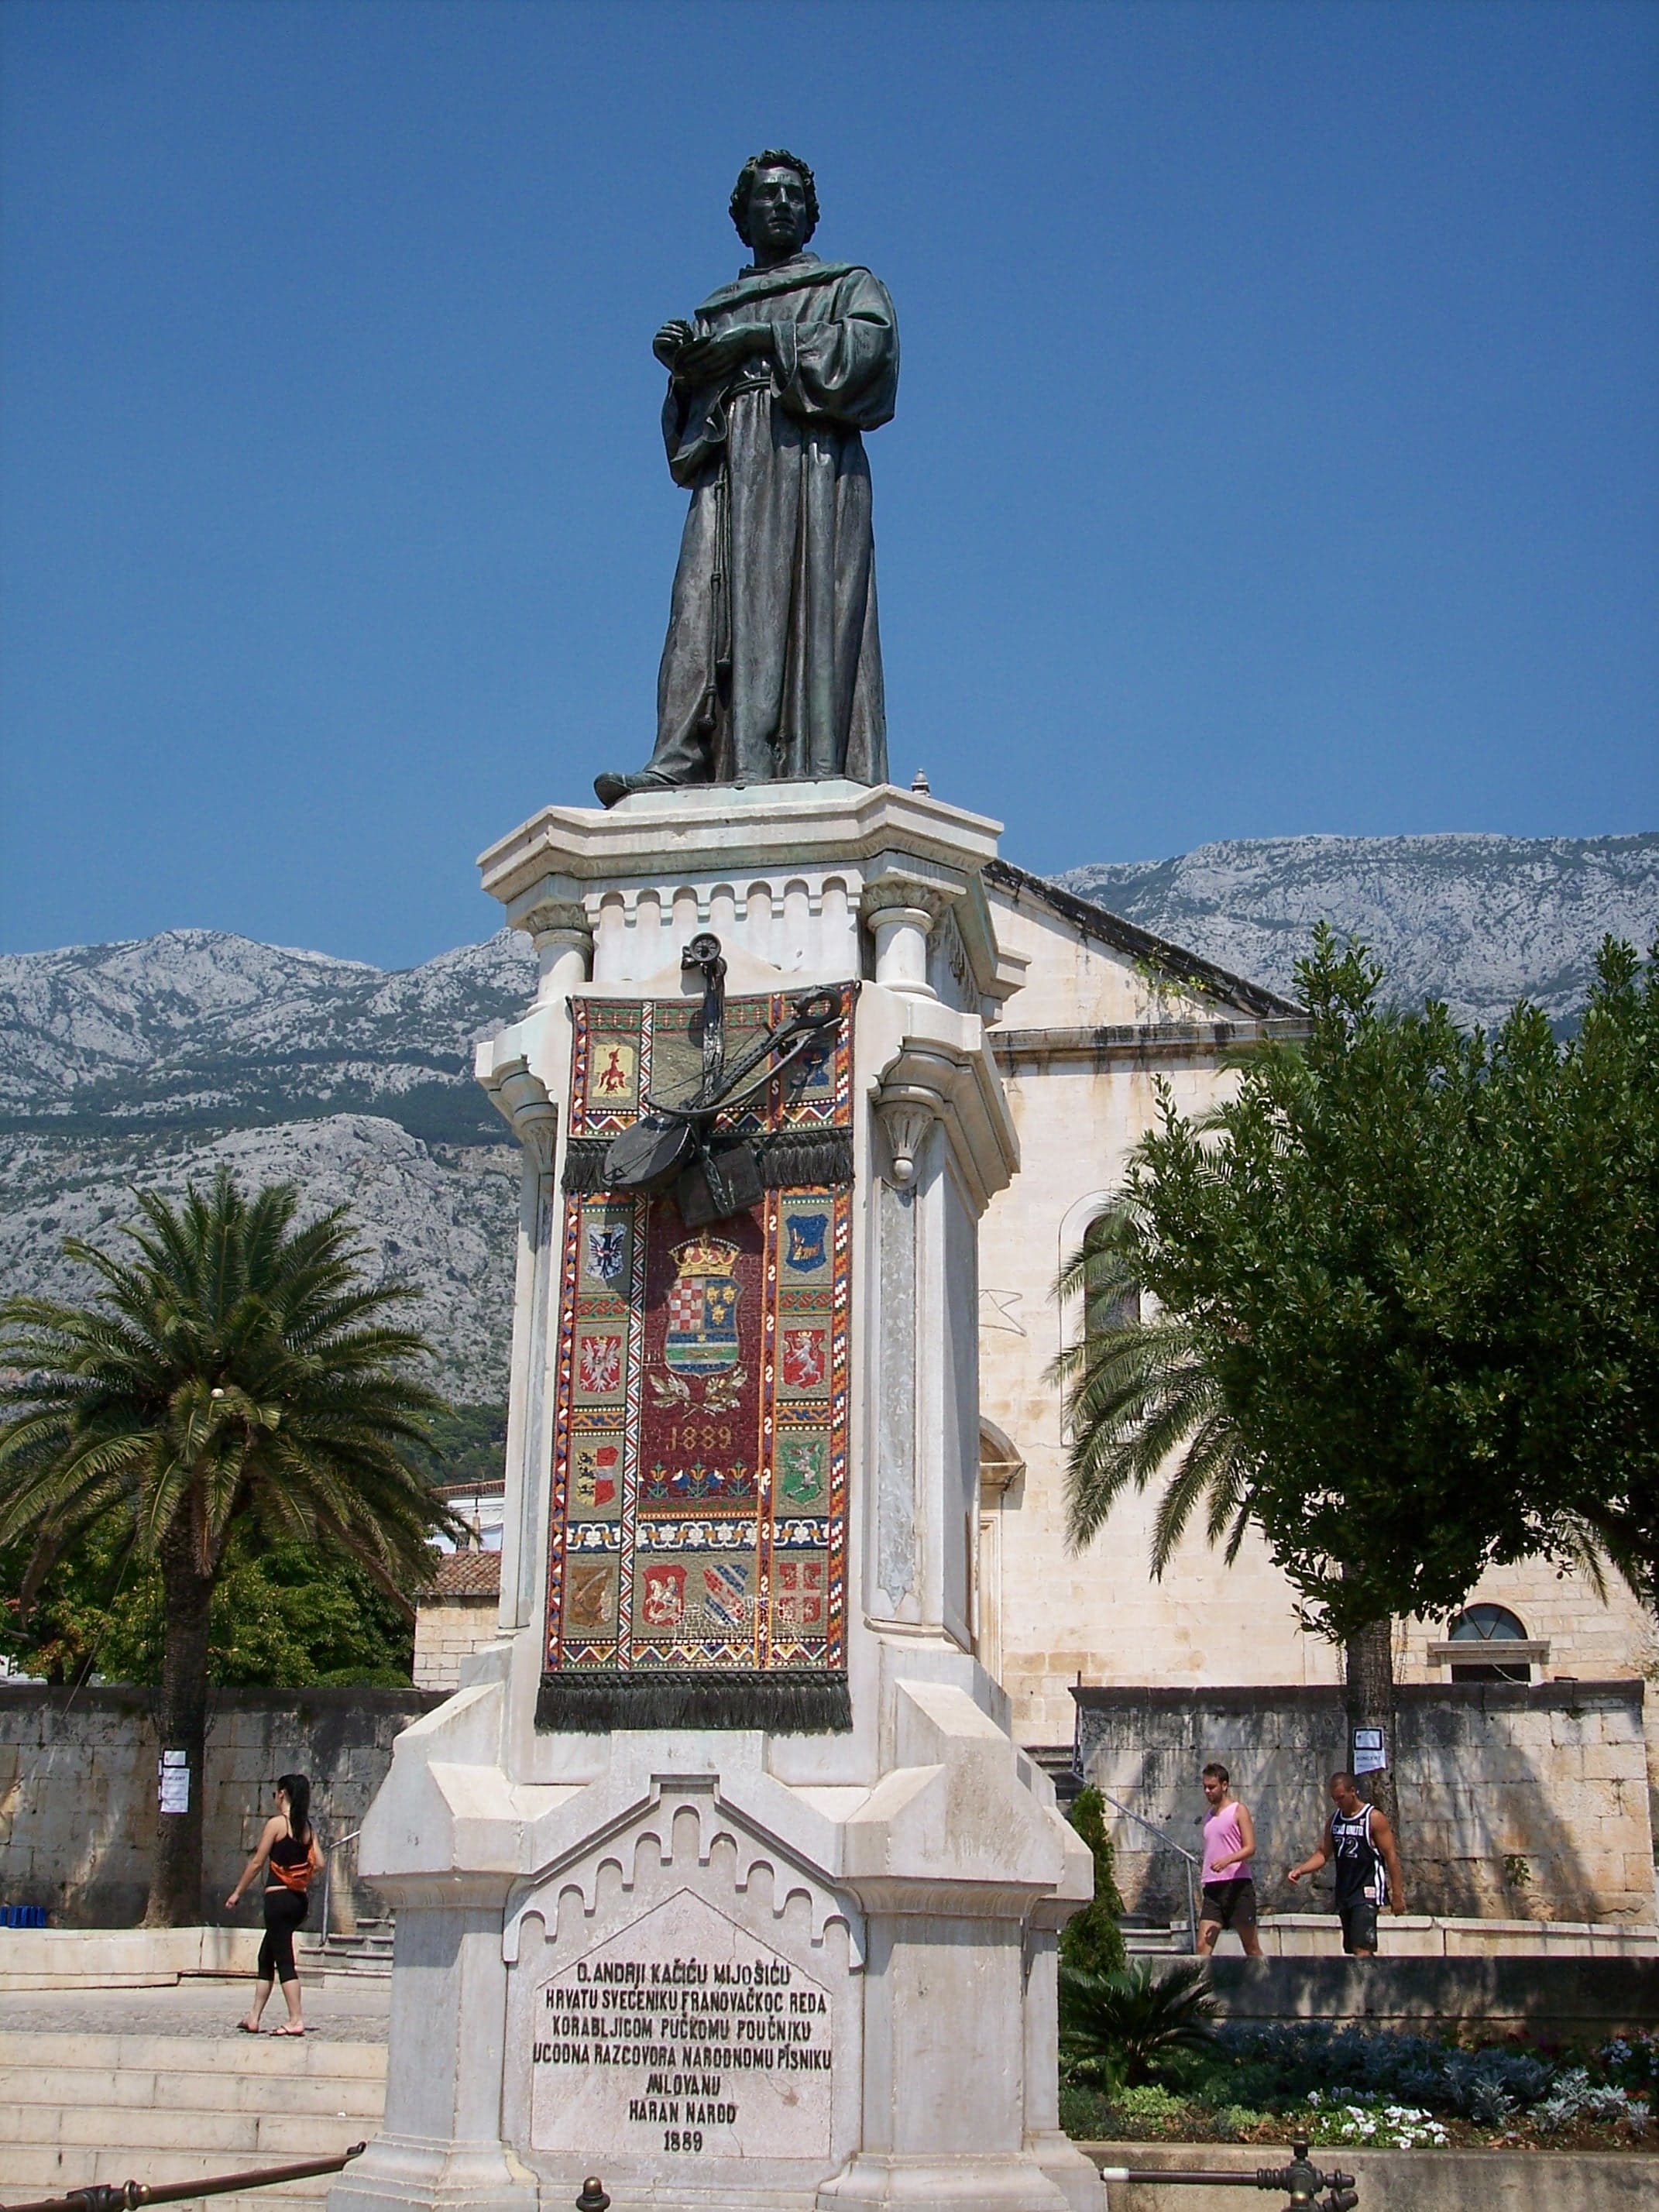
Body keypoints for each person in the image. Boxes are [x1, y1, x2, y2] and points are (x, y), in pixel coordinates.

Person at [595, 149, 897, 805]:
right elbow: (684, 442)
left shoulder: (847, 285)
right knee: (699, 608)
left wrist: (760, 340)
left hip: (810, 462)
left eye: (794, 196)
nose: (781, 204)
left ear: (811, 215)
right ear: (743, 217)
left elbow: (870, 356)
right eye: (767, 195)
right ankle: (682, 759)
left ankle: (809, 761)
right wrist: (686, 372)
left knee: (805, 607)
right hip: (730, 470)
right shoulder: (718, 309)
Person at [225, 1771, 324, 2035]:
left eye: (275, 1793)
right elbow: (320, 1863)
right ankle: (254, 2016)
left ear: (282, 1794)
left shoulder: (277, 1825)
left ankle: (296, 2019)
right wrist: (299, 1873)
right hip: (298, 1900)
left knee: (284, 1960)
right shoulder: (307, 1828)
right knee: (266, 1956)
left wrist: (237, 1892)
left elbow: (258, 1862)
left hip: (278, 1899)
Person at [1286, 1770, 1407, 1957]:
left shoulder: (1373, 1818)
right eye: (1334, 1799)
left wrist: (1397, 1893)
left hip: (1367, 1889)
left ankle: (1370, 1976)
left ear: (1353, 1791)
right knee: (1352, 1948)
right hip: (1345, 1890)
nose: (1338, 1803)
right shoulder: (1335, 1820)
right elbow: (1323, 1853)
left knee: (1362, 1947)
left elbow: (1391, 1855)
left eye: (1341, 1797)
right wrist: (1301, 1870)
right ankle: (1376, 1972)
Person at [1196, 1760, 1262, 1958]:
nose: (1207, 1791)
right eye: (1205, 1787)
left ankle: (1267, 1976)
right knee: (1202, 1947)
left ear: (1224, 1785)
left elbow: (1250, 1847)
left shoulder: (1238, 1810)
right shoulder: (1209, 1816)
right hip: (1213, 1888)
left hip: (1237, 1886)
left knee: (1251, 1948)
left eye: (1212, 1787)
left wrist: (1227, 1860)